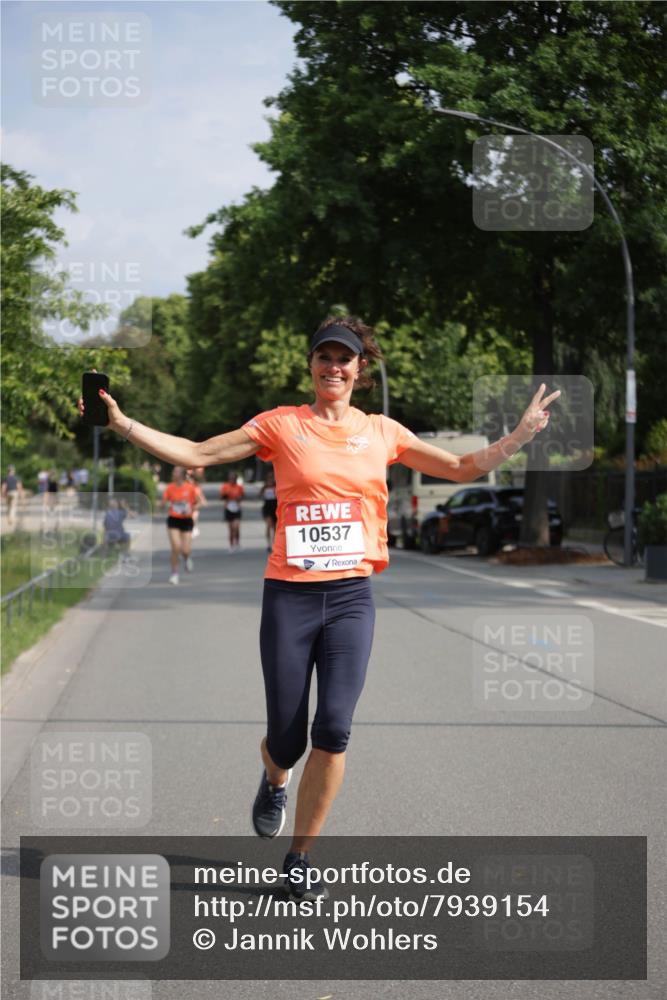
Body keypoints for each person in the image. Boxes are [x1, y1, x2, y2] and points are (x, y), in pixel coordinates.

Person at [77, 319, 558, 900]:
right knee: (287, 741)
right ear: (311, 365)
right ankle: (275, 777)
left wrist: (518, 437)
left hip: (351, 598)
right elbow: (198, 453)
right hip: (290, 597)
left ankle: (299, 857)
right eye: (324, 357)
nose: (334, 367)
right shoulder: (282, 425)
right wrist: (122, 423)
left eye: (344, 358)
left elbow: (459, 468)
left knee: (333, 729)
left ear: (359, 369)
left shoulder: (381, 431)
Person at [160, 466, 200, 584]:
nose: (173, 473)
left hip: (186, 520)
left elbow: (199, 503)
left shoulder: (190, 488)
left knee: (185, 550)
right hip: (173, 519)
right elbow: (163, 503)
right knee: (176, 547)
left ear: (182, 474)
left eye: (176, 472)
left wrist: (192, 508)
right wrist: (163, 505)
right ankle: (174, 573)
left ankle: (187, 558)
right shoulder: (169, 488)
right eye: (173, 471)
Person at [220, 470, 244, 552]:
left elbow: (243, 496)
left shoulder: (239, 487)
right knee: (231, 529)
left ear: (236, 479)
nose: (232, 480)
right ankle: (231, 545)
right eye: (230, 478)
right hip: (228, 508)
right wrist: (225, 495)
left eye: (233, 478)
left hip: (237, 508)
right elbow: (221, 497)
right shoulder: (225, 486)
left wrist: (239, 498)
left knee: (236, 527)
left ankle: (237, 542)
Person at [259, 468, 278, 552]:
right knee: (269, 525)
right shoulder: (265, 486)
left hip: (275, 506)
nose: (270, 478)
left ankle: (274, 544)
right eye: (269, 477)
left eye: (272, 477)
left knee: (275, 527)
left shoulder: (276, 485)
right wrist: (263, 491)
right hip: (267, 507)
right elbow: (259, 495)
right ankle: (268, 544)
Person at [187, 466, 208, 539]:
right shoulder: (186, 482)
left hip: (195, 501)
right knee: (189, 516)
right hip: (188, 500)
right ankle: (192, 527)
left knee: (194, 515)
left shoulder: (196, 486)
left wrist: (203, 500)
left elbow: (199, 493)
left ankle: (194, 527)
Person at [2, 465, 24, 530]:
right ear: (13, 470)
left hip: (8, 493)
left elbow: (4, 487)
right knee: (13, 506)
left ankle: (9, 518)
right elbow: (19, 486)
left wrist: (2, 494)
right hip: (14, 493)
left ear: (8, 471)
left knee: (8, 506)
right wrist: (21, 495)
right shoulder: (17, 477)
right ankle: (11, 518)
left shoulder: (5, 478)